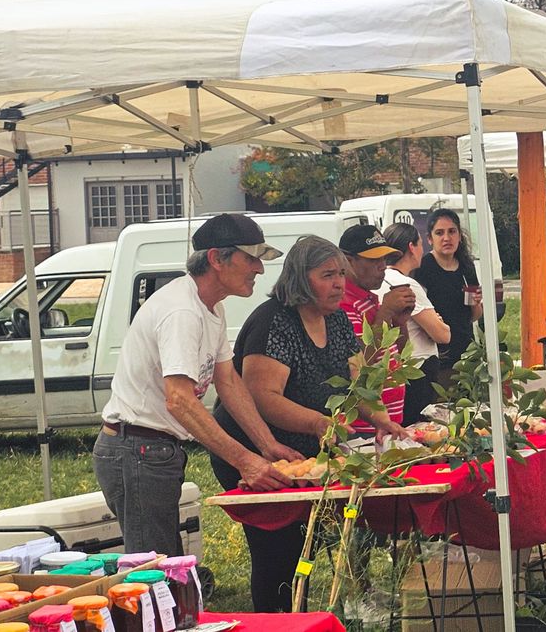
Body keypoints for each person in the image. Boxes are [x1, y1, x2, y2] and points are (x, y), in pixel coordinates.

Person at [93, 214, 294, 556]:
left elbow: (228, 380)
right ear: (216, 259)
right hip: (136, 449)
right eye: (251, 258)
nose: (259, 269)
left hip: (152, 450)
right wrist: (245, 460)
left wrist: (268, 445)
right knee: (153, 570)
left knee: (165, 564)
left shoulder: (210, 306)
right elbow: (180, 401)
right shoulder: (182, 311)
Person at [211, 235, 378, 611]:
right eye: (328, 275)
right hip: (253, 450)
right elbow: (263, 397)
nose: (339, 283)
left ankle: (295, 615)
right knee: (276, 550)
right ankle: (277, 618)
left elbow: (357, 382)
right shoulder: (273, 321)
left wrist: (383, 422)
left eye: (341, 274)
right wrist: (320, 423)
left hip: (298, 454)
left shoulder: (334, 319)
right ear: (301, 279)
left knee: (305, 543)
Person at [339, 224, 417, 427]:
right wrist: (385, 313)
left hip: (387, 423)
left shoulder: (370, 299)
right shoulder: (342, 305)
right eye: (374, 259)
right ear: (348, 262)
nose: (382, 266)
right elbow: (361, 362)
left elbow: (402, 357)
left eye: (384, 259)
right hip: (364, 428)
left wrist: (400, 323)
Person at [380, 223, 452, 424]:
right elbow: (442, 334)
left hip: (394, 370)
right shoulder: (406, 285)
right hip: (417, 371)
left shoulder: (381, 280)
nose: (423, 251)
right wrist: (439, 321)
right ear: (412, 247)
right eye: (421, 244)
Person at [414, 209, 482, 384]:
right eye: (439, 233)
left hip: (467, 354)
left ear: (459, 236)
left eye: (452, 231)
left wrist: (476, 303)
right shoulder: (423, 268)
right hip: (438, 356)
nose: (447, 238)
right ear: (430, 239)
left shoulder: (467, 267)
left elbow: (473, 316)